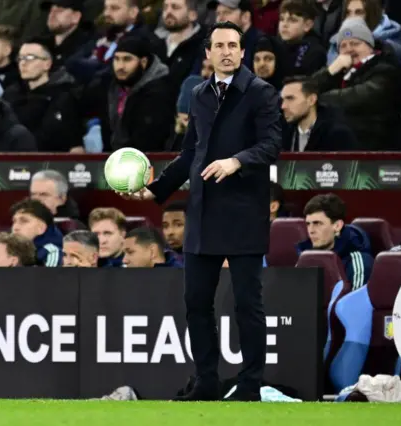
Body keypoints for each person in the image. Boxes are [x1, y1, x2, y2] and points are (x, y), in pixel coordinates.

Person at [120, 21, 282, 401]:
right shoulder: (198, 93)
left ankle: (250, 384)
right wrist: (156, 190)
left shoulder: (261, 93)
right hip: (202, 213)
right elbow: (190, 152)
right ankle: (206, 379)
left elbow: (273, 144)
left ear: (242, 52)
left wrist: (236, 162)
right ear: (208, 53)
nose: (227, 51)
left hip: (243, 212)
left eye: (233, 45)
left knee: (247, 303)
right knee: (196, 303)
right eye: (219, 46)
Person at [310, 17, 401, 150]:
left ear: (370, 46)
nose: (349, 49)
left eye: (355, 43)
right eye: (343, 46)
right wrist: (329, 71)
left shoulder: (386, 68)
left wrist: (315, 100)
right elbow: (305, 90)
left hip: (375, 145)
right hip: (340, 143)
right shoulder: (339, 72)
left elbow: (358, 97)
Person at [297, 193, 374, 290]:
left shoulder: (359, 262)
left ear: (337, 226)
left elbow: (354, 304)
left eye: (317, 223)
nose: (311, 230)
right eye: (308, 224)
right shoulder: (303, 257)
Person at [280, 75, 357, 151]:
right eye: (283, 100)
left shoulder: (338, 135)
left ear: (311, 100)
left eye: (290, 98)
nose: (283, 106)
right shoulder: (281, 134)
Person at [10, 198, 64, 267]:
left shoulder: (52, 253)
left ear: (41, 228)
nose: (15, 227)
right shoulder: (6, 250)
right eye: (14, 221)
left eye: (24, 221)